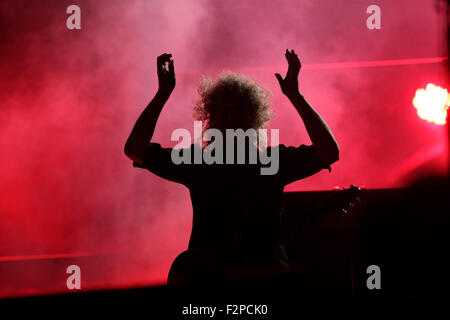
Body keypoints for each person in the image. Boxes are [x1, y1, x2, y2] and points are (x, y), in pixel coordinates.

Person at [124, 49, 339, 285]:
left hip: (264, 280)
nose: (231, 117)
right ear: (211, 117)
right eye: (224, 110)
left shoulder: (273, 160)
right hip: (210, 282)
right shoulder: (199, 162)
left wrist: (296, 96)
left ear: (254, 116)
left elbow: (329, 152)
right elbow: (135, 149)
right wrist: (161, 95)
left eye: (238, 109)